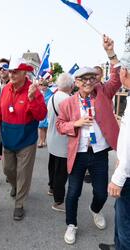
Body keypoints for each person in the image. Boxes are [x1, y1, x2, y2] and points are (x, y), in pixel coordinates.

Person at [56, 35, 121, 245]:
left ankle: (95, 209)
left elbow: (117, 78)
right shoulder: (68, 103)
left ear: (96, 80)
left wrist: (110, 53)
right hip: (79, 153)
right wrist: (74, 124)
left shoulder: (103, 93)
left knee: (101, 192)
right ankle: (71, 224)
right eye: (83, 79)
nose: (88, 82)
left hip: (99, 153)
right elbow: (60, 125)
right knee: (73, 192)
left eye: (91, 78)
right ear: (76, 82)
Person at [0, 57, 47, 220]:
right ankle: (15, 186)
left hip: (26, 140)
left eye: (15, 71)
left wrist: (32, 99)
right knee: (7, 170)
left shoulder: (33, 90)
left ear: (24, 73)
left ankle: (19, 204)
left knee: (23, 174)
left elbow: (41, 115)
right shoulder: (5, 89)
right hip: (8, 140)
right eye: (10, 71)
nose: (11, 74)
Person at [99, 32, 130, 250]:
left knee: (126, 222)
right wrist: (111, 53)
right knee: (121, 216)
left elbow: (129, 142)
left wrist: (118, 177)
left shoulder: (106, 90)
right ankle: (118, 245)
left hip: (127, 174)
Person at [47, 73, 74, 212]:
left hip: (51, 138)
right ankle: (58, 201)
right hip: (63, 140)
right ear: (71, 86)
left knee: (53, 165)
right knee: (61, 172)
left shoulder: (52, 97)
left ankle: (52, 188)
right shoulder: (69, 99)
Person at [37, 78, 54, 148]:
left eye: (43, 85)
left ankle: (44, 141)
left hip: (48, 112)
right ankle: (41, 141)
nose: (41, 87)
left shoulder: (50, 93)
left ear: (46, 86)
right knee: (41, 127)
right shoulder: (39, 92)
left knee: (46, 127)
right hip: (41, 112)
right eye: (40, 85)